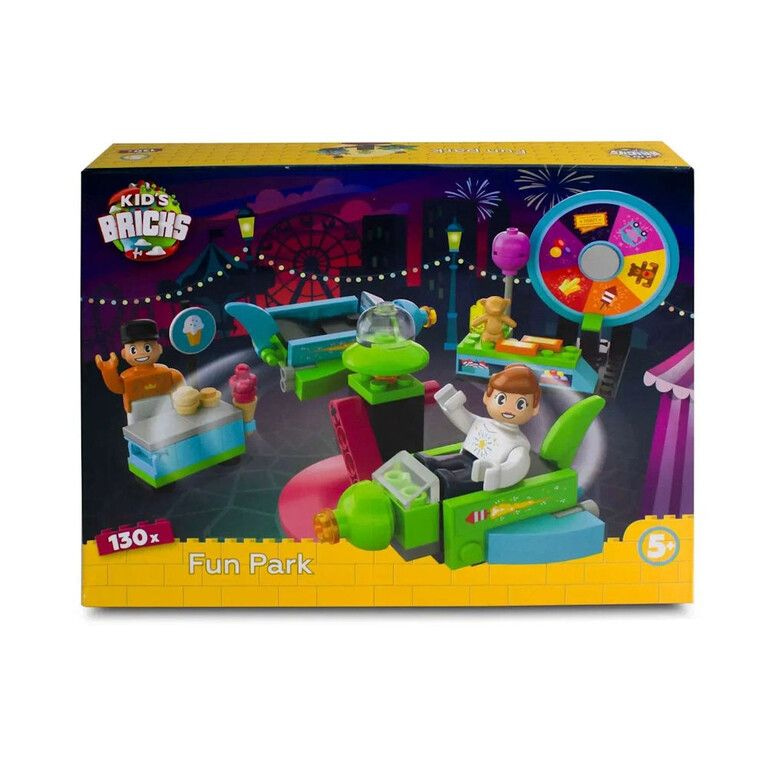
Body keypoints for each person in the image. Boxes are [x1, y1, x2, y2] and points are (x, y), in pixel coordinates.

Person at [417, 364, 540, 497]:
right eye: (501, 399)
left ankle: (450, 482)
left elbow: (517, 466)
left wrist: (498, 473)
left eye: (520, 404)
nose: (509, 408)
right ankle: (432, 464)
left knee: (457, 479)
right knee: (448, 461)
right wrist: (454, 407)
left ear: (535, 409)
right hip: (465, 456)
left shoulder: (518, 444)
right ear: (487, 397)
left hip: (481, 475)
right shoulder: (483, 423)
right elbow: (465, 420)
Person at [95, 319, 185, 418]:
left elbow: (180, 384)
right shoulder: (127, 378)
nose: (141, 353)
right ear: (124, 354)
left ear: (159, 348)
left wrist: (184, 397)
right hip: (136, 410)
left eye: (147, 348)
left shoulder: (167, 372)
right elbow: (117, 387)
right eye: (133, 350)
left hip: (165, 405)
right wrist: (109, 372)